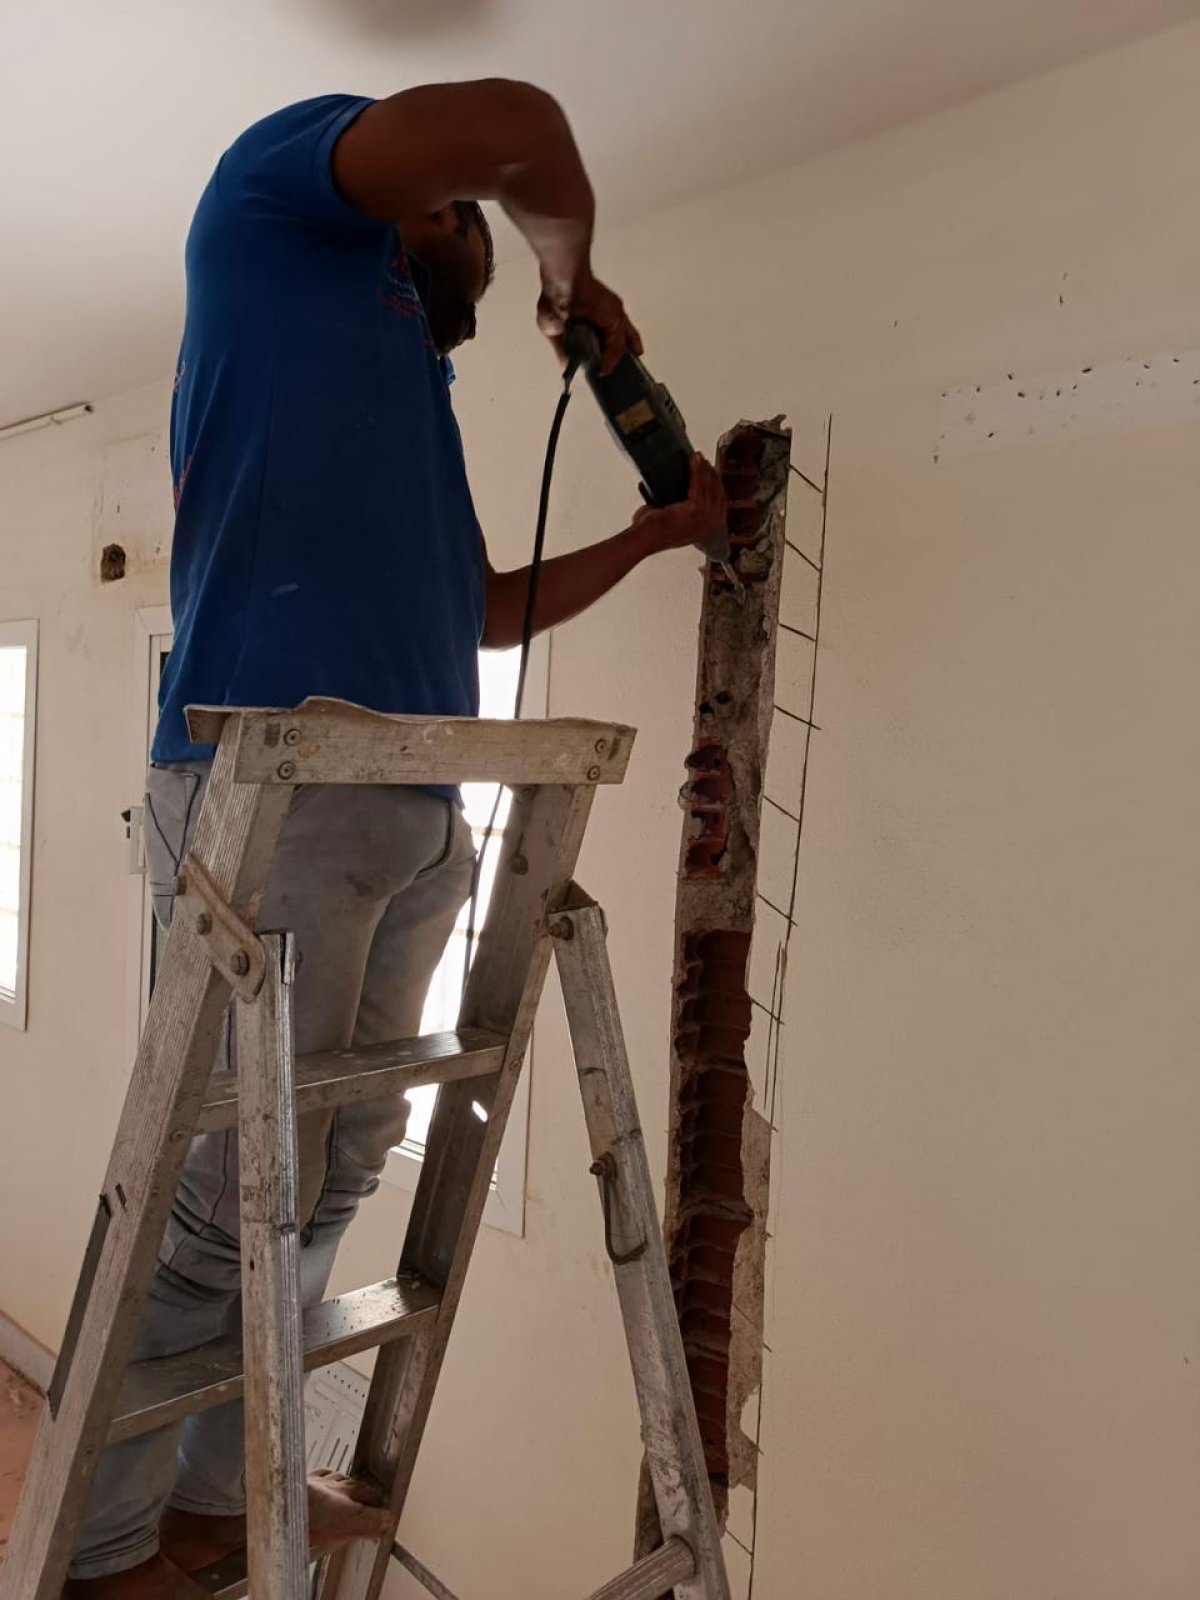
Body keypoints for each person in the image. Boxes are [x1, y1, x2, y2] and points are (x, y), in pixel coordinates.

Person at [66, 82, 726, 1597]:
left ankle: (224, 1498)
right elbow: (520, 121)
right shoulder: (267, 213)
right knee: (221, 1199)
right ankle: (100, 1552)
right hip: (278, 780)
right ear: (409, 215)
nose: (476, 246)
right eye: (466, 224)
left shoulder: (408, 397)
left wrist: (646, 541)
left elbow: (476, 610)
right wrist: (576, 276)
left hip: (415, 797)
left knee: (341, 1164)